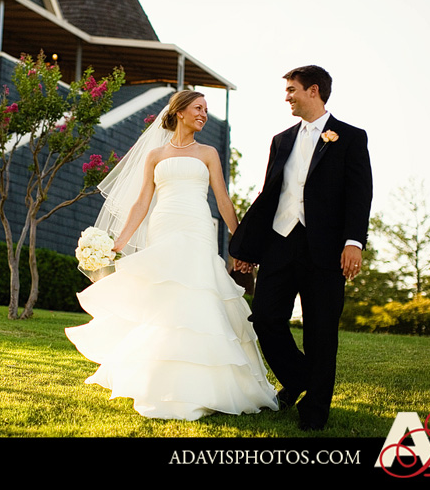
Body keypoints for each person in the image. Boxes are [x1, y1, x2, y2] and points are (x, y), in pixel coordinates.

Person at [65, 90, 278, 421]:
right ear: (179, 112)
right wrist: (119, 242)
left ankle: (206, 385)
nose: (203, 114)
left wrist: (241, 244)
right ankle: (160, 380)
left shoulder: (208, 153)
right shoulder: (155, 155)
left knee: (198, 293)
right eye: (198, 108)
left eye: (206, 109)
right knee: (166, 298)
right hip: (163, 227)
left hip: (197, 227)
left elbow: (223, 199)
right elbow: (141, 202)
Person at [230, 65, 373, 431]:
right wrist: (249, 247)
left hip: (326, 250)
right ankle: (300, 378)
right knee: (265, 318)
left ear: (313, 90)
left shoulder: (351, 137)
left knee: (321, 331)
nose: (287, 97)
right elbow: (269, 196)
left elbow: (360, 195)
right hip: (280, 242)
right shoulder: (281, 140)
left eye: (292, 90)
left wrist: (353, 242)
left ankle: (315, 412)